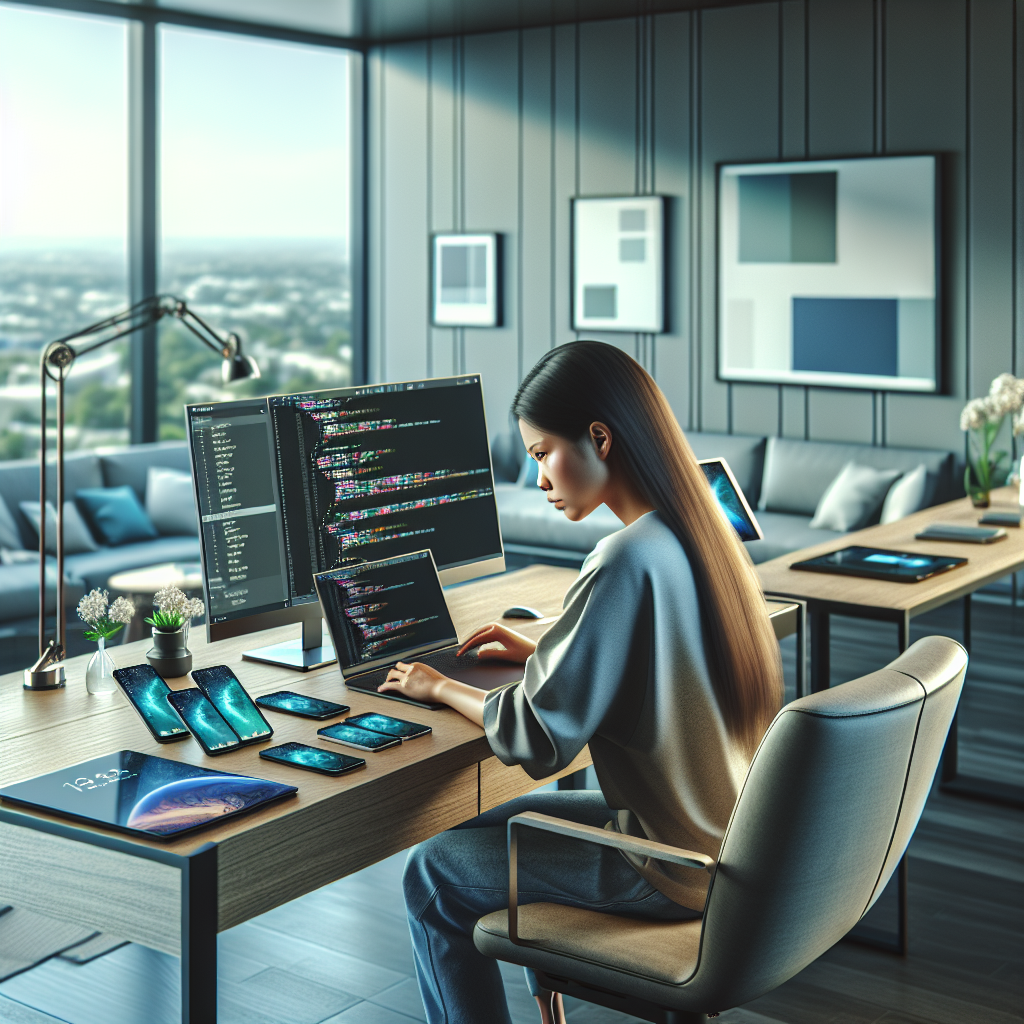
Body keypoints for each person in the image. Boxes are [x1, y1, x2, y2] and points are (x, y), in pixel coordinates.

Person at [379, 341, 784, 1024]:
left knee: (434, 869)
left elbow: (542, 738)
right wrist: (547, 644)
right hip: (723, 838)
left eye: (542, 453)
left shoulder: (621, 559)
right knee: (487, 829)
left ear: (599, 437)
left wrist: (439, 687)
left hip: (663, 863)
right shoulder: (694, 531)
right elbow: (662, 655)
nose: (537, 476)